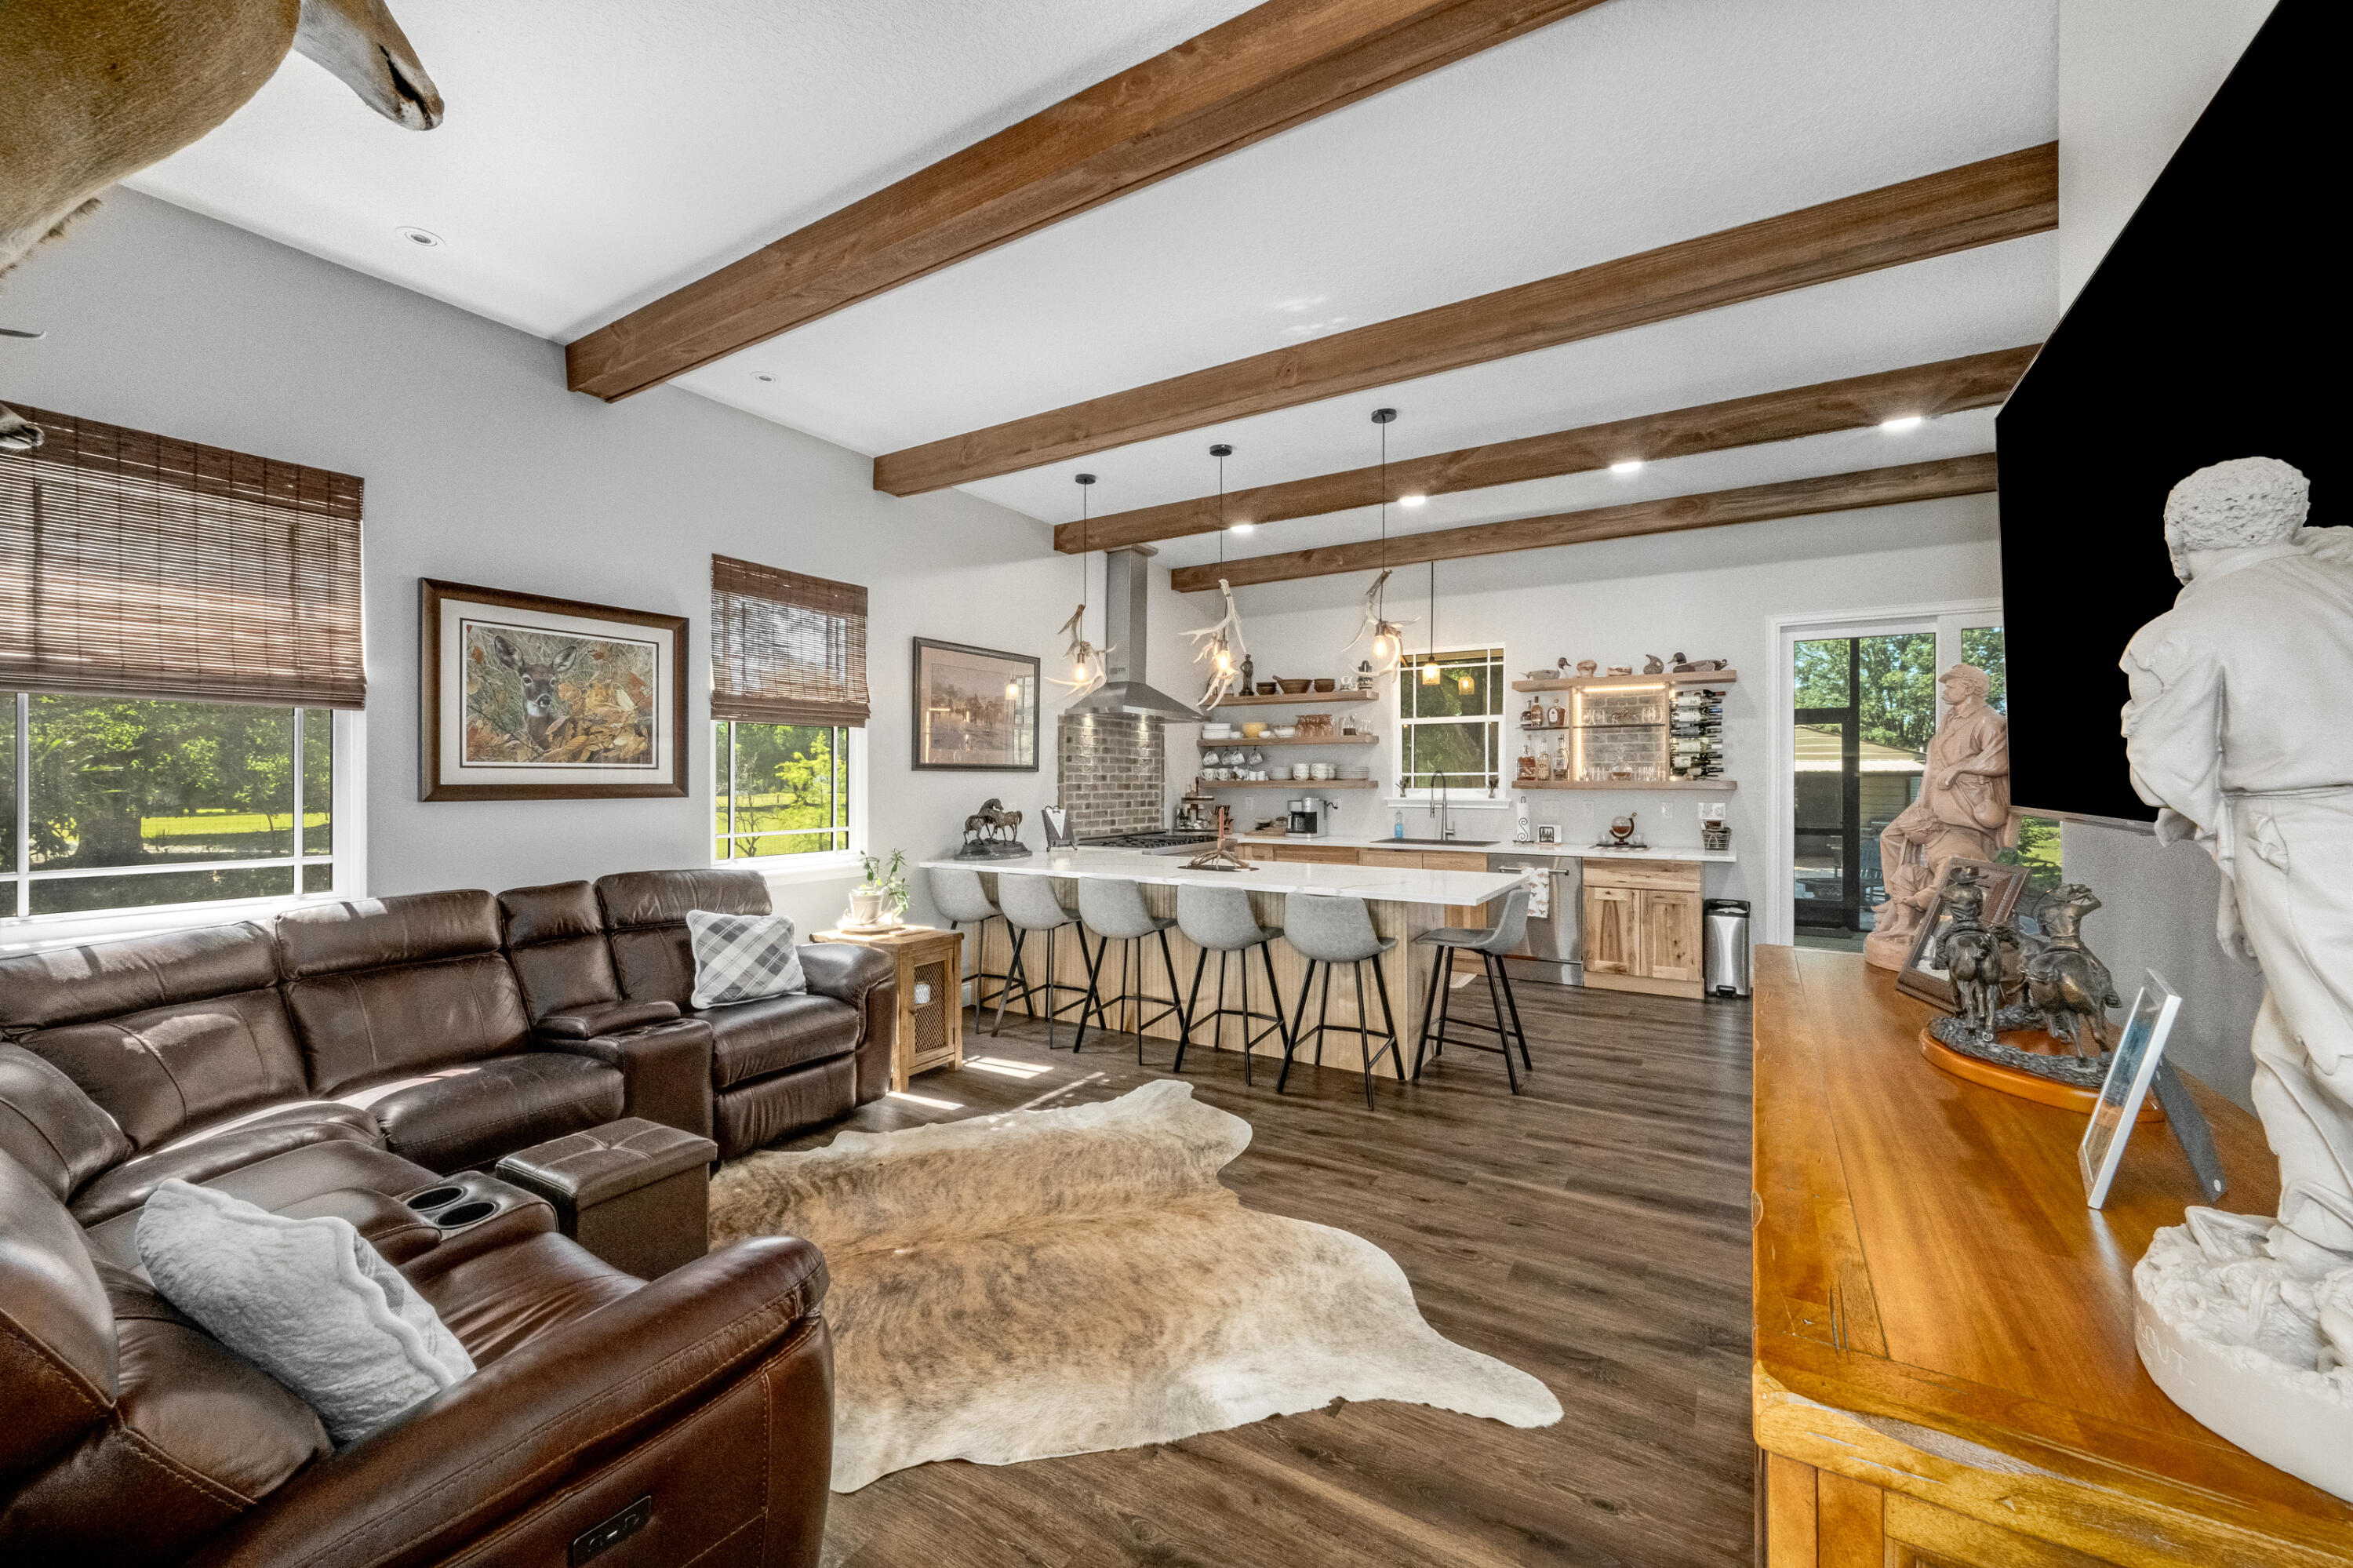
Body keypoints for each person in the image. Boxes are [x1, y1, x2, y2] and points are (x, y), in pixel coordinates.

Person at [2123, 456, 2353, 1263]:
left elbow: (2165, 770)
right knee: (2289, 1046)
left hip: (2302, 841)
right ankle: (2322, 1236)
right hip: (2290, 837)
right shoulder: (2335, 583)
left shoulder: (2186, 631)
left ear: (2181, 535)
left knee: (2334, 1045)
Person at [1863, 664, 2014, 969]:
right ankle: (1899, 902)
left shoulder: (1989, 720)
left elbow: (1999, 760)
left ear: (1970, 688)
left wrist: (1959, 769)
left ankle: (1930, 922)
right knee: (1892, 835)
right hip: (1934, 798)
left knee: (1956, 867)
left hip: (1965, 806)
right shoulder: (1950, 718)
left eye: (1951, 684)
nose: (1945, 690)